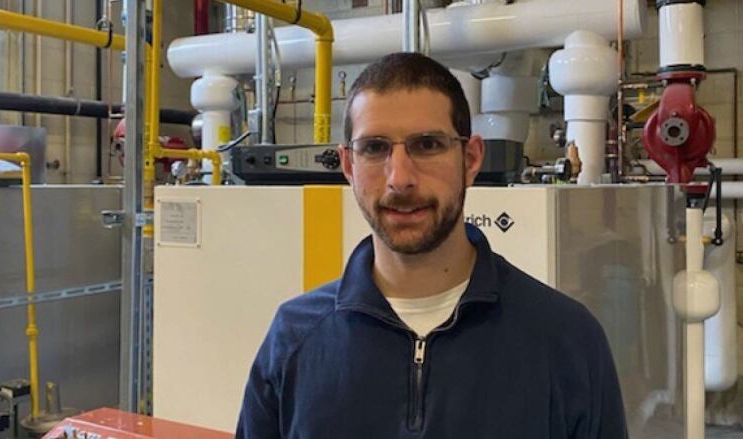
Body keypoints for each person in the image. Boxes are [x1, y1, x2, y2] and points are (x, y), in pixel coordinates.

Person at [236, 52, 627, 438]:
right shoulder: (294, 341)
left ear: (470, 158)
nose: (400, 178)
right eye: (374, 148)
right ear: (349, 166)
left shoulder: (565, 341)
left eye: (427, 145)